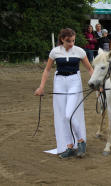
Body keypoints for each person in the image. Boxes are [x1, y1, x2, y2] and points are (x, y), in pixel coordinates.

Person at [34, 28, 93, 159]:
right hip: (59, 82)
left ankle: (81, 140)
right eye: (68, 41)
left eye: (73, 40)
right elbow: (47, 70)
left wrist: (97, 84)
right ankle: (69, 146)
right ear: (62, 40)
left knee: (68, 114)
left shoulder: (79, 51)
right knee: (62, 116)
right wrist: (41, 87)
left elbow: (89, 68)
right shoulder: (55, 52)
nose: (71, 43)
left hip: (74, 82)